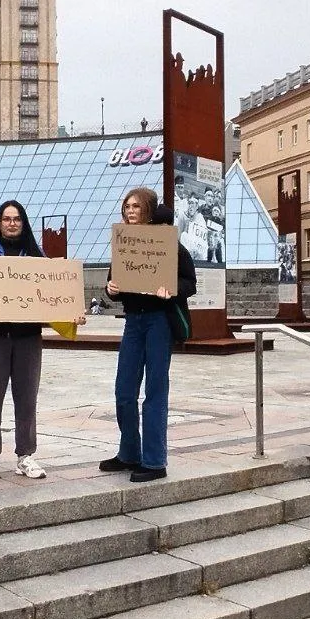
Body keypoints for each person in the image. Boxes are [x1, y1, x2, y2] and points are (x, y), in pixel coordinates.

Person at [100, 190, 196, 483]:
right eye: (127, 206)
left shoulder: (168, 243)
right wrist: (111, 289)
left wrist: (171, 288)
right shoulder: (124, 242)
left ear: (149, 210)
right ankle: (129, 452)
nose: (130, 211)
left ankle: (155, 460)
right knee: (124, 391)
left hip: (158, 322)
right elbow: (113, 280)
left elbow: (189, 281)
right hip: (133, 321)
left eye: (136, 206)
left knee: (155, 391)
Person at [0, 201, 61, 483]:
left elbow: (54, 292)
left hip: (27, 336)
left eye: (17, 219)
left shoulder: (36, 255)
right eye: (7, 219)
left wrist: (70, 314)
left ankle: (25, 455)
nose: (12, 223)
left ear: (23, 223)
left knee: (27, 396)